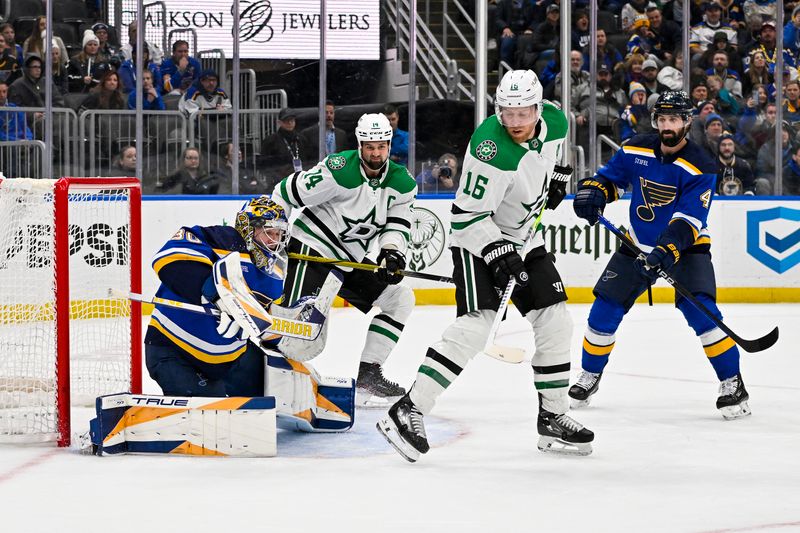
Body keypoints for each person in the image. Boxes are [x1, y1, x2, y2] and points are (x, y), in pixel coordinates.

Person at [377, 70, 593, 463]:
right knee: (477, 325)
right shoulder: (489, 149)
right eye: (507, 113)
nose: (514, 122)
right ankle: (408, 408)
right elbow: (464, 216)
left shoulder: (557, 120)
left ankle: (553, 414)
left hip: (527, 237)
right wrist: (498, 252)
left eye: (523, 113)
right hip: (478, 239)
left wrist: (558, 177)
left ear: (538, 107)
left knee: (555, 319)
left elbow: (555, 151)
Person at [568, 90, 751, 421]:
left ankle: (732, 382)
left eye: (675, 119)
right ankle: (590, 375)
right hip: (638, 243)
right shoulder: (635, 147)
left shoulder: (701, 164)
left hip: (686, 247)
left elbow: (690, 218)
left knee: (703, 313)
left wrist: (666, 250)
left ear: (686, 122)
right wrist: (594, 193)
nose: (668, 126)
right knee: (603, 311)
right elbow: (610, 180)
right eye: (663, 119)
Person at [272, 112, 417, 408]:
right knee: (301, 333)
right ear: (360, 145)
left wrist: (392, 252)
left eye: (382, 146)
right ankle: (273, 382)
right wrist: (276, 230)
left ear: (389, 145)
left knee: (400, 299)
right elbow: (285, 192)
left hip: (349, 260)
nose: (376, 153)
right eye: (370, 147)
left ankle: (368, 376)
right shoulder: (339, 171)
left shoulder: (402, 183)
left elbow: (398, 225)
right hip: (312, 250)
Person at [144, 197, 289, 397]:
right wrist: (218, 297)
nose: (274, 241)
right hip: (175, 351)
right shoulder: (222, 239)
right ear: (248, 227)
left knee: (282, 391)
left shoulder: (275, 271)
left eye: (278, 234)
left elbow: (265, 324)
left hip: (232, 358)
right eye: (268, 233)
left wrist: (291, 331)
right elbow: (169, 261)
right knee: (214, 416)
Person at [259, 107, 312, 184]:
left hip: (300, 181)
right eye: (286, 121)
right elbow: (264, 164)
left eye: (292, 120)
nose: (290, 123)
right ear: (279, 122)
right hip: (279, 182)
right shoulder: (270, 141)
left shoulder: (301, 139)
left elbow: (309, 159)